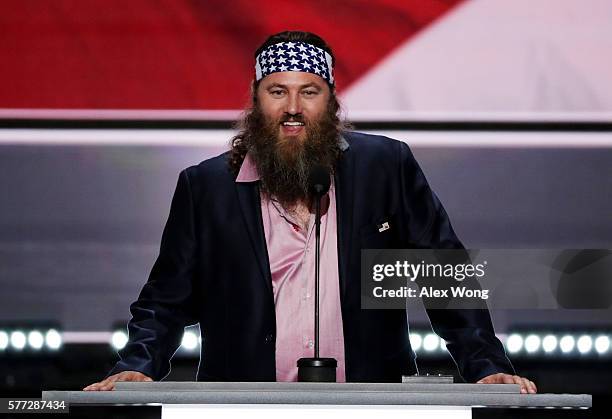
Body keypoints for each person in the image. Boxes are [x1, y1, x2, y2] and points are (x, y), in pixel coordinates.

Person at [85, 31, 536, 393]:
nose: (293, 108)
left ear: (332, 101)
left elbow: (443, 276)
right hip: (244, 406)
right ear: (256, 101)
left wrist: (486, 368)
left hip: (371, 405)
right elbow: (165, 302)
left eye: (309, 91)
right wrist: (138, 366)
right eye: (277, 91)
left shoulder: (386, 167)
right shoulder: (205, 188)